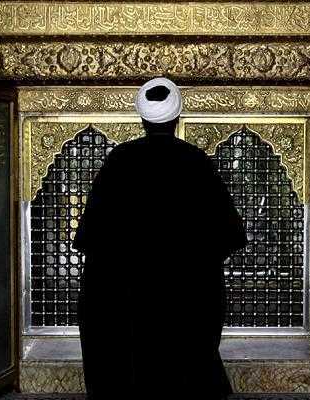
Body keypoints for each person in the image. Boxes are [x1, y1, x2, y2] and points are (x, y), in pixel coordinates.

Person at [72, 77, 246, 400]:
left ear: (142, 119)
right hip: (185, 300)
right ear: (176, 118)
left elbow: (91, 237)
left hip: (126, 303)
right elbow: (230, 233)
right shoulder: (195, 161)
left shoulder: (119, 160)